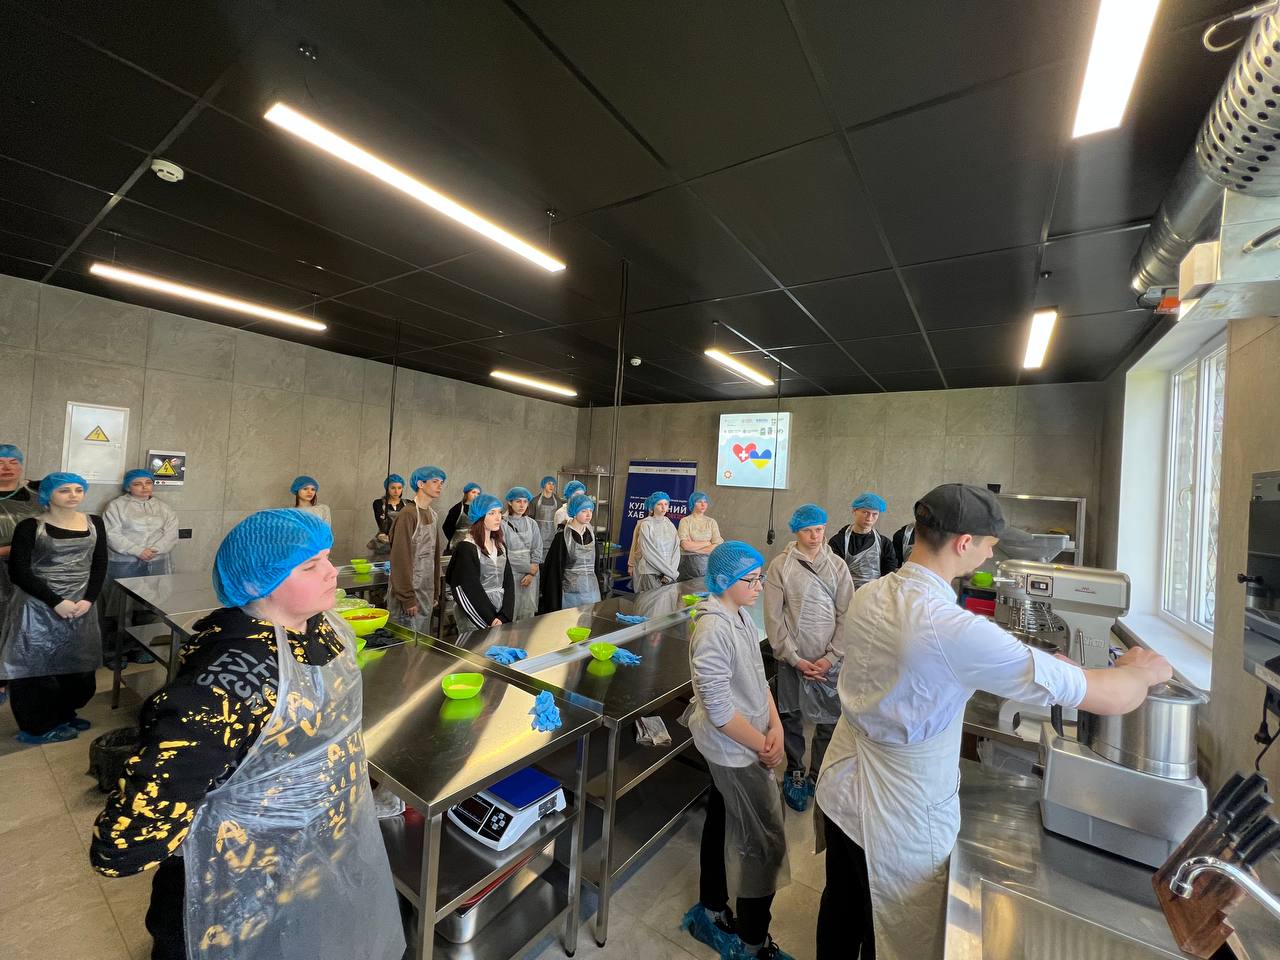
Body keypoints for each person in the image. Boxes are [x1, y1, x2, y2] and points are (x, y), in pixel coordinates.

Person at [814, 484, 1173, 960]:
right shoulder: (950, 628)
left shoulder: (872, 595)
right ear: (964, 543)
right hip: (896, 815)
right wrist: (1142, 671)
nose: (989, 555)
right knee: (888, 929)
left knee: (841, 913)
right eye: (989, 545)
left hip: (842, 789)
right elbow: (1107, 696)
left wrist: (1038, 663)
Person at [91, 509, 404, 960]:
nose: (332, 572)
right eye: (310, 566)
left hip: (310, 855)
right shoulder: (226, 679)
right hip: (233, 877)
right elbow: (128, 838)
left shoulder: (323, 628)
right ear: (261, 582)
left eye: (326, 558)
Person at [679, 540, 795, 960]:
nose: (760, 586)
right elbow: (720, 711)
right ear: (725, 581)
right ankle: (751, 941)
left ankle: (712, 906)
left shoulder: (741, 616)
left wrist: (776, 724)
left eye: (760, 578)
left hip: (751, 740)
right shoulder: (712, 630)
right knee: (762, 845)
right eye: (752, 580)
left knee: (723, 819)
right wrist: (764, 745)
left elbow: (758, 679)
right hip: (733, 750)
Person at [1, 473, 105, 743]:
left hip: (81, 606)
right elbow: (19, 572)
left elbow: (99, 564)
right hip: (37, 607)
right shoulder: (30, 526)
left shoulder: (94, 523)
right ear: (48, 495)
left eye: (78, 489)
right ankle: (37, 727)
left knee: (78, 665)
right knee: (36, 668)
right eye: (64, 490)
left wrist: (88, 599)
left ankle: (63, 713)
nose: (73, 495)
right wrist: (56, 601)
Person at [765, 503, 854, 812]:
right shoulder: (781, 565)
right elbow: (774, 618)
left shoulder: (838, 566)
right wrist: (793, 657)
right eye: (807, 530)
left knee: (829, 720)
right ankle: (795, 770)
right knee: (791, 716)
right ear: (796, 531)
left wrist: (832, 656)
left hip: (829, 660)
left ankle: (818, 772)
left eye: (819, 529)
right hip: (793, 658)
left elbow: (847, 615)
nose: (815, 536)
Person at [0, 445, 41, 702]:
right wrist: (11, 550)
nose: (7, 467)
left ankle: (18, 675)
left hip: (30, 570)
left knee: (24, 622)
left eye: (13, 462)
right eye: (0, 462)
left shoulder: (36, 497)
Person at [447, 494, 516, 634]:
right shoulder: (467, 548)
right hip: (475, 616)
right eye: (491, 513)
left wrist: (504, 615)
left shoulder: (500, 546)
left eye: (499, 512)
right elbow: (469, 588)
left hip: (499, 614)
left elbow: (508, 582)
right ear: (479, 516)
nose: (498, 517)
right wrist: (490, 619)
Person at [388, 466, 446, 625]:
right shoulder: (408, 514)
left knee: (422, 637)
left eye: (441, 482)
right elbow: (400, 559)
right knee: (406, 638)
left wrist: (435, 591)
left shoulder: (432, 515)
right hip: (408, 594)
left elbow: (435, 557)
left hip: (426, 592)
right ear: (420, 484)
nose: (439, 486)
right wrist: (407, 598)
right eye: (435, 481)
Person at [540, 493, 600, 610]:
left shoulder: (591, 535)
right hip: (569, 594)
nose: (588, 514)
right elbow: (553, 570)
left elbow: (596, 566)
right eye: (584, 511)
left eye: (590, 510)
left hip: (591, 592)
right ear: (574, 512)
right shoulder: (562, 537)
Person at [828, 492, 897, 590]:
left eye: (874, 514)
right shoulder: (838, 542)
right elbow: (834, 573)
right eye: (865, 512)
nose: (869, 518)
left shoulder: (885, 543)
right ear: (854, 511)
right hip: (847, 593)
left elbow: (888, 574)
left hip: (875, 594)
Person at [502, 486, 544, 621]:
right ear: (510, 502)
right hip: (510, 574)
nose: (522, 505)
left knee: (527, 615)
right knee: (510, 613)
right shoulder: (502, 524)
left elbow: (537, 548)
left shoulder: (532, 523)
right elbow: (503, 554)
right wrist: (528, 568)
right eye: (518, 501)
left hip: (530, 576)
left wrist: (532, 573)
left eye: (525, 501)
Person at [629, 490, 681, 592]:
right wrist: (670, 572)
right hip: (650, 572)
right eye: (659, 504)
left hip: (668, 574)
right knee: (651, 600)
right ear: (652, 506)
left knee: (666, 601)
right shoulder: (646, 524)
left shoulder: (670, 525)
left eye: (666, 504)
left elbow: (676, 550)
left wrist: (670, 573)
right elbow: (648, 552)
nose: (663, 507)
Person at [677, 490, 723, 581]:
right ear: (693, 503)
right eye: (699, 501)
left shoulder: (711, 522)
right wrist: (707, 543)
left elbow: (717, 545)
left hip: (708, 565)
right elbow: (685, 545)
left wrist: (694, 548)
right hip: (688, 566)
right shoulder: (685, 521)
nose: (703, 504)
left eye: (705, 502)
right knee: (687, 589)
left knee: (704, 588)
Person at [369, 473, 405, 555]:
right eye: (393, 488)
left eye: (399, 488)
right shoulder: (378, 503)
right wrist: (383, 535)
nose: (396, 491)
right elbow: (380, 523)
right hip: (384, 544)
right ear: (387, 488)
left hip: (403, 543)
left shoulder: (408, 504)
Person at [443, 481, 482, 554]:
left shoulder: (480, 510)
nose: (476, 495)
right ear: (466, 493)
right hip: (458, 546)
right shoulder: (457, 509)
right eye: (473, 492)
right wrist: (455, 538)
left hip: (475, 545)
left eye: (478, 493)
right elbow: (446, 527)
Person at [531, 476, 560, 544]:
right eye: (549, 483)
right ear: (543, 485)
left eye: (553, 484)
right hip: (538, 535)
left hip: (553, 535)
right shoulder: (535, 501)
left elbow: (560, 519)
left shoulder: (558, 501)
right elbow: (530, 519)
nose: (551, 486)